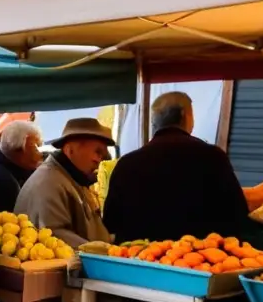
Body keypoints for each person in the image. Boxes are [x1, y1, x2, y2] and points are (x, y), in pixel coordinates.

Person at [103, 92, 248, 242]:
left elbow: (110, 221)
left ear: (155, 122)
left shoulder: (126, 164)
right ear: (186, 115)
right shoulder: (212, 157)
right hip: (196, 259)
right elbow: (237, 214)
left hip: (137, 258)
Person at [15, 117, 115, 247]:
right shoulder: (49, 183)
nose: (99, 160)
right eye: (97, 152)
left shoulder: (70, 178)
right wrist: (106, 251)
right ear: (70, 150)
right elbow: (54, 235)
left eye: (102, 155)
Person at [0, 121, 43, 214]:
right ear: (19, 148)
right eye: (34, 146)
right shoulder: (2, 180)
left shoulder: (4, 170)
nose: (40, 153)